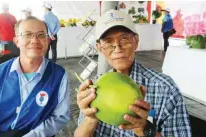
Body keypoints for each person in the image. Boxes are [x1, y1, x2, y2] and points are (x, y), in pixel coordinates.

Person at [75, 9, 191, 137]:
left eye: (124, 39)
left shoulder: (166, 89)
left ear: (136, 41)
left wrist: (144, 128)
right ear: (100, 48)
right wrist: (90, 119)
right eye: (108, 42)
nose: (118, 48)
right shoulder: (94, 88)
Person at [0, 16, 70, 137]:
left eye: (41, 35)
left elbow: (59, 116)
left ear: (47, 41)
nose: (35, 40)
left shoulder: (59, 76)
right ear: (16, 41)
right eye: (27, 34)